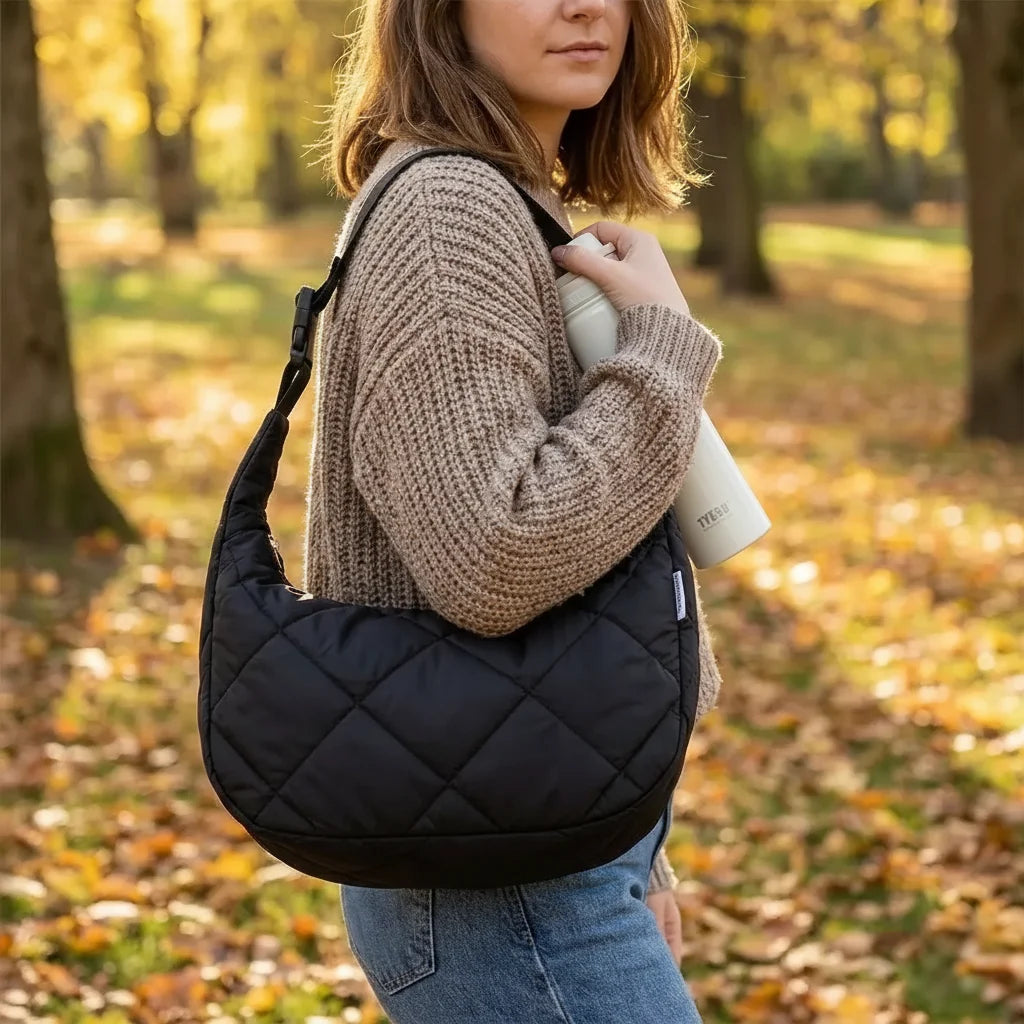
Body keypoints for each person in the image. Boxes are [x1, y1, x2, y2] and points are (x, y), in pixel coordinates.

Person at [302, 1, 726, 1020]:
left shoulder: (499, 196)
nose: (585, 5)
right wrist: (661, 348)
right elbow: (493, 553)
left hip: (539, 837)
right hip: (501, 875)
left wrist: (633, 850)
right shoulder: (449, 208)